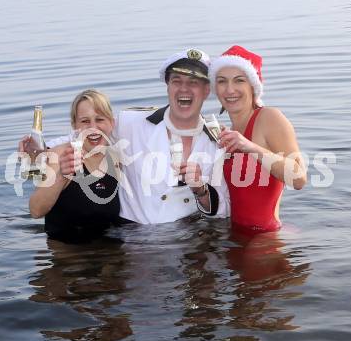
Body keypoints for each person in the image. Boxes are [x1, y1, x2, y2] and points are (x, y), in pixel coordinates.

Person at [49, 48, 229, 224]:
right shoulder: (131, 123)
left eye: (193, 82)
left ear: (207, 90)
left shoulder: (217, 142)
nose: (184, 89)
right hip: (133, 238)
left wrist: (200, 189)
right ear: (168, 86)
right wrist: (41, 152)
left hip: (187, 239)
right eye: (176, 81)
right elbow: (82, 135)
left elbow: (223, 210)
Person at [208, 45, 307, 234]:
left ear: (253, 86)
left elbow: (299, 179)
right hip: (237, 235)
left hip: (264, 238)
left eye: (239, 81)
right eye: (222, 81)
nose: (230, 90)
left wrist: (250, 147)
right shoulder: (230, 132)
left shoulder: (269, 118)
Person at [26, 89, 121, 243]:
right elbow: (36, 210)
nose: (93, 127)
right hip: (68, 256)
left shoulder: (116, 158)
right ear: (74, 126)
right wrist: (61, 176)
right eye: (85, 121)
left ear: (112, 123)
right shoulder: (60, 155)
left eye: (100, 119)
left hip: (109, 251)